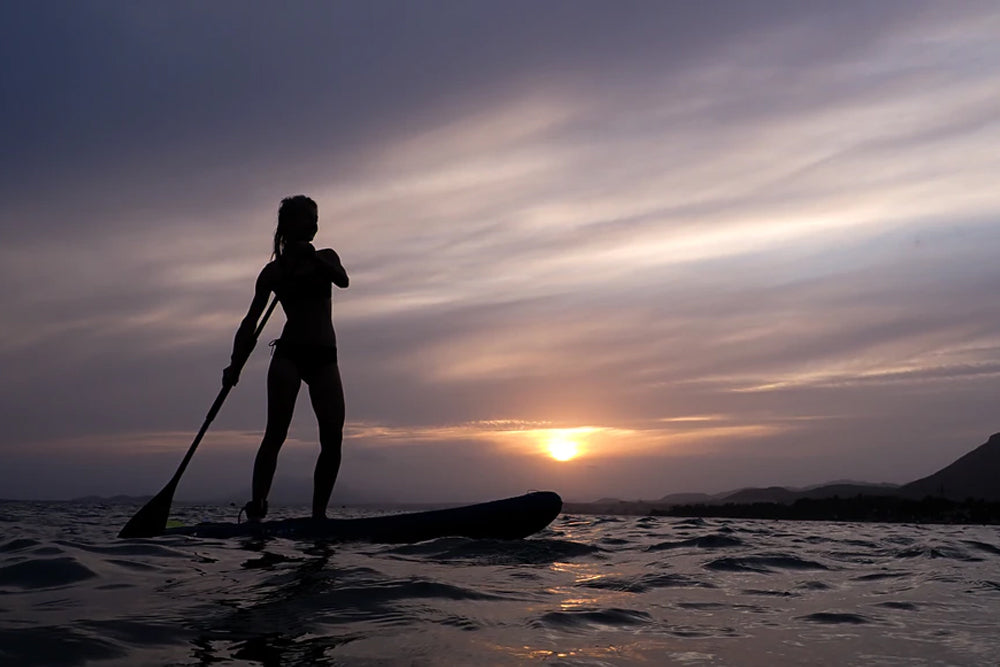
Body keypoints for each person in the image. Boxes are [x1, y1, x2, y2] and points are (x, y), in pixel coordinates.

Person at [223, 195, 349, 522]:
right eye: (307, 218)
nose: (314, 224)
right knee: (276, 433)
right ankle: (258, 507)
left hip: (325, 357)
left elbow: (343, 279)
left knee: (333, 437)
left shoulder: (327, 256)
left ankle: (318, 516)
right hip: (289, 356)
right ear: (288, 225)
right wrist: (234, 364)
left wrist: (313, 261)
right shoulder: (274, 272)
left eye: (315, 218)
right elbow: (250, 323)